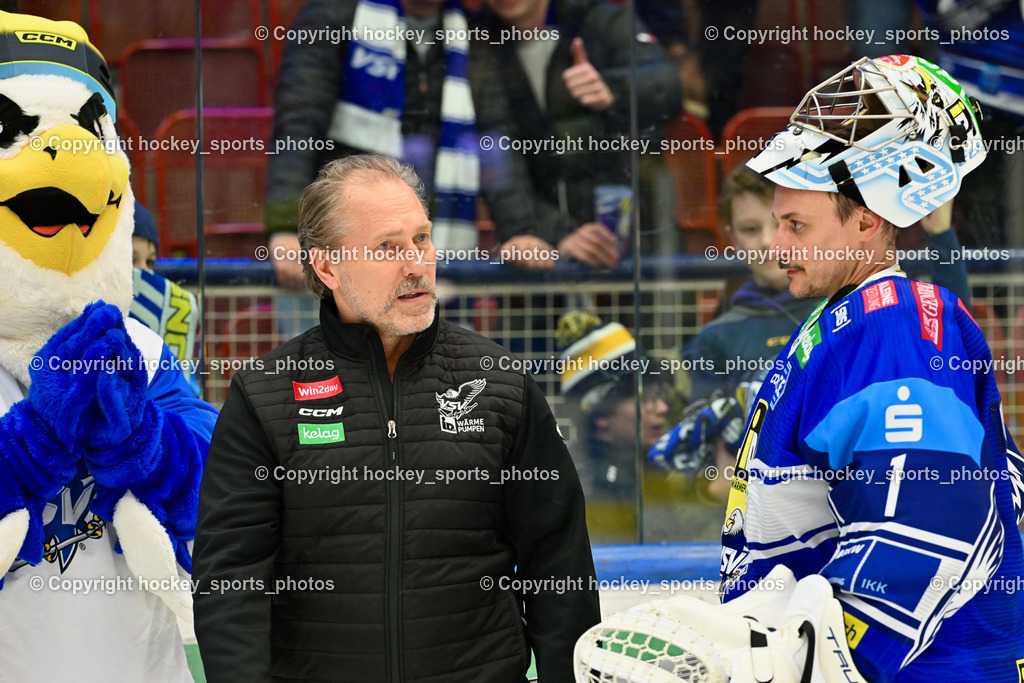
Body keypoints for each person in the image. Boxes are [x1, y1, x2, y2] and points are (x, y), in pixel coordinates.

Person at [194, 154, 600, 681]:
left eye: (422, 240)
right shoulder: (265, 395)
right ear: (326, 266)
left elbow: (558, 565)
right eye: (387, 247)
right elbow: (232, 581)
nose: (416, 264)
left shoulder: (500, 382)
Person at [720, 55, 1024, 680]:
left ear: (866, 222)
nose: (777, 249)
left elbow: (924, 531)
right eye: (778, 224)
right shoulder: (854, 321)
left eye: (797, 226)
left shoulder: (892, 326)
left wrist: (824, 665)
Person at [649, 165, 973, 518]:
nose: (770, 243)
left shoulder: (857, 305)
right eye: (750, 229)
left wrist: (939, 234)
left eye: (792, 225)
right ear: (730, 236)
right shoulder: (716, 338)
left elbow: (945, 344)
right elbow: (712, 477)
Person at [474, 0, 683, 268]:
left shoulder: (599, 19)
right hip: (549, 253)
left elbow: (667, 86)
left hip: (636, 241)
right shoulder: (480, 42)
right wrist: (553, 233)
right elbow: (501, 160)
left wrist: (614, 90)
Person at [556, 311, 670, 541]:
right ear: (600, 415)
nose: (662, 408)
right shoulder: (581, 487)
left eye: (659, 395)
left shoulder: (657, 465)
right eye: (645, 399)